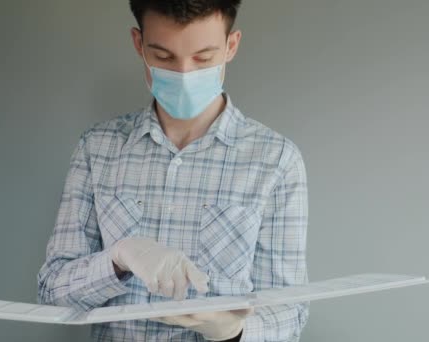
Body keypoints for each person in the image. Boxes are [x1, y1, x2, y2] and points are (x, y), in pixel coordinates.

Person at [36, 1, 310, 341]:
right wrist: (117, 261)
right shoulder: (98, 148)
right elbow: (53, 292)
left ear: (231, 46)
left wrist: (235, 331)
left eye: (203, 58)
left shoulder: (276, 160)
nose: (183, 74)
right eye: (164, 58)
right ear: (139, 44)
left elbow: (289, 312)